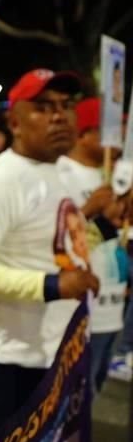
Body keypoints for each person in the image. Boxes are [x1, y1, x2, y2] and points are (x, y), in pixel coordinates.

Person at [0, 69, 100, 438]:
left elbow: (60, 243)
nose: (59, 115)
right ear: (14, 121)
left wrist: (105, 225)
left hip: (59, 351)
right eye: (44, 107)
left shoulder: (59, 171)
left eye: (66, 106)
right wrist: (50, 285)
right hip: (12, 362)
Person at [56, 97, 126, 392]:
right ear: (84, 134)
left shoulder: (113, 176)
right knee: (73, 403)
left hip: (114, 306)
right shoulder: (61, 173)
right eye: (111, 131)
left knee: (94, 390)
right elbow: (57, 241)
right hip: (81, 313)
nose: (119, 139)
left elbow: (113, 233)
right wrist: (89, 210)